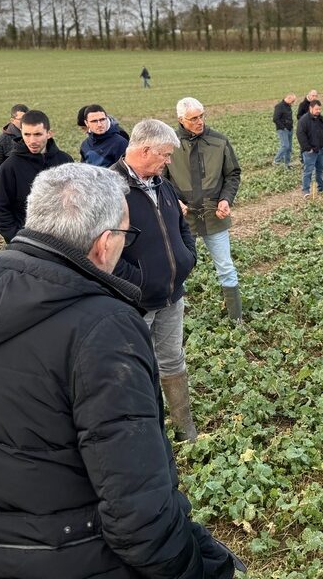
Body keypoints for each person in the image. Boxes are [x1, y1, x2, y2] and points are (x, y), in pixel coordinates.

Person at [0, 163, 240, 578]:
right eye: (127, 235)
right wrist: (194, 567)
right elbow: (137, 510)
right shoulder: (102, 327)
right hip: (70, 558)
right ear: (104, 244)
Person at [112, 120, 199, 441]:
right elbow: (104, 248)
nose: (168, 161)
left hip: (171, 296)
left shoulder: (161, 183)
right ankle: (144, 431)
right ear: (145, 149)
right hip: (136, 303)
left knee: (172, 359)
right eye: (164, 155)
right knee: (132, 367)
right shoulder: (111, 188)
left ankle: (184, 427)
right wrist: (140, 282)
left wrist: (187, 256)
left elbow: (179, 223)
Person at [166, 98, 243, 324]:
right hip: (182, 218)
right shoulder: (170, 143)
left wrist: (225, 199)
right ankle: (177, 320)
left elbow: (233, 174)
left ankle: (236, 320)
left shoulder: (219, 141)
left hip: (214, 214)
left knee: (226, 267)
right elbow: (161, 179)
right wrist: (175, 202)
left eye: (202, 116)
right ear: (181, 120)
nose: (200, 121)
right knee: (178, 269)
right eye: (194, 118)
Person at [0, 110, 75, 243]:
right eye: (27, 134)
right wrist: (18, 238)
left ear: (49, 134)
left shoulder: (65, 160)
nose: (32, 140)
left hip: (63, 240)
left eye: (37, 134)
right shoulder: (9, 167)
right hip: (28, 242)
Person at [296, 98, 323, 196]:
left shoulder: (322, 119)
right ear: (310, 108)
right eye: (316, 109)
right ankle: (306, 190)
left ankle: (321, 187)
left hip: (321, 150)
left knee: (320, 169)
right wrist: (308, 148)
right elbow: (300, 135)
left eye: (320, 109)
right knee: (308, 171)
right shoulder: (304, 120)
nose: (318, 111)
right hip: (310, 151)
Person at [0, 103, 28, 172]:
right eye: (21, 119)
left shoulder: (37, 137)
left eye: (27, 118)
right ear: (12, 120)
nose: (26, 122)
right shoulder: (0, 141)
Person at [272, 93, 296, 168]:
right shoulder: (279, 106)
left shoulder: (288, 106)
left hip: (290, 129)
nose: (293, 103)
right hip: (282, 130)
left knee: (289, 148)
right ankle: (276, 160)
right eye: (292, 101)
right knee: (285, 145)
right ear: (288, 98)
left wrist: (291, 127)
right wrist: (283, 127)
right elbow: (275, 119)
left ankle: (287, 164)